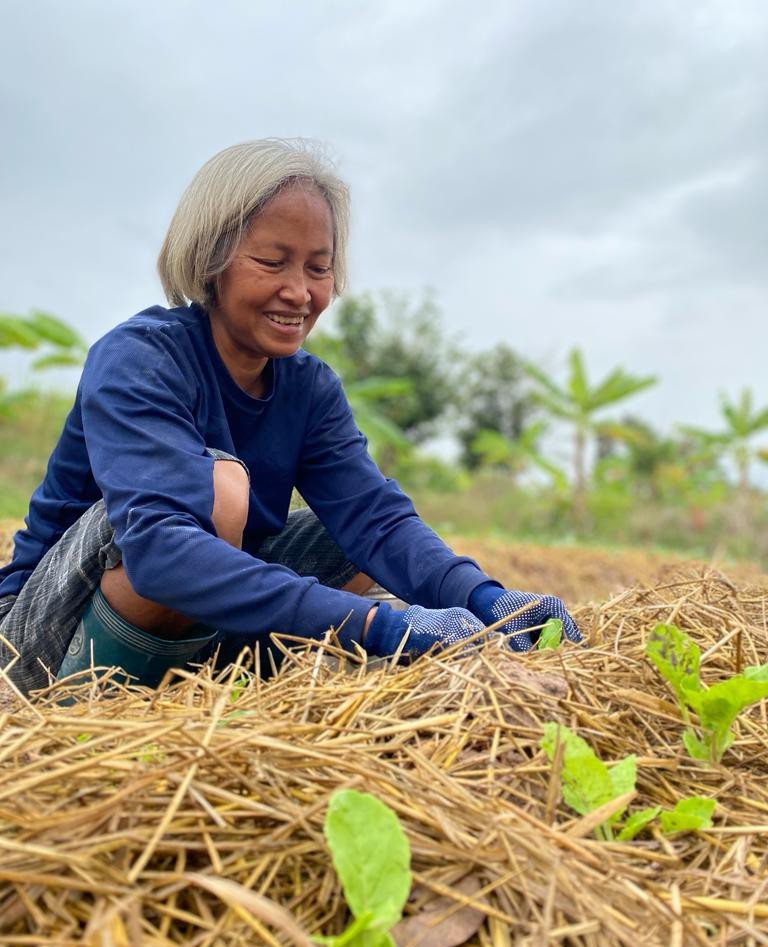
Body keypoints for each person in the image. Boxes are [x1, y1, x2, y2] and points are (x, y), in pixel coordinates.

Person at [0, 139, 581, 698]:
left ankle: (214, 681)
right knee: (219, 490)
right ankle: (97, 702)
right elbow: (161, 554)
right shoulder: (141, 358)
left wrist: (487, 599)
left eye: (318, 268)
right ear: (212, 261)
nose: (299, 292)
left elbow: (376, 521)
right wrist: (382, 628)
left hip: (192, 617)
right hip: (39, 639)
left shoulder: (309, 387)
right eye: (273, 262)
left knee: (353, 537)